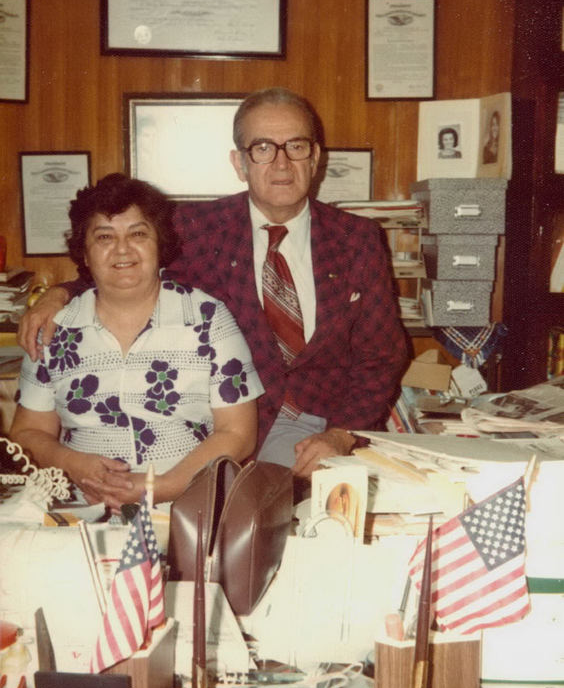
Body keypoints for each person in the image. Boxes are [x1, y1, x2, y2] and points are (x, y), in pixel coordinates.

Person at [18, 87, 408, 478]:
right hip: (226, 428)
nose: (282, 163)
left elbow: (382, 356)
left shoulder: (357, 239)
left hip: (323, 428)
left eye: (296, 146)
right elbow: (125, 267)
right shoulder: (197, 229)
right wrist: (57, 295)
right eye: (263, 148)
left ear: (317, 157)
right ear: (239, 163)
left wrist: (340, 435)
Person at [10, 174, 262, 510]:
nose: (122, 248)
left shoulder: (208, 318)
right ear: (84, 254)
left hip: (185, 510)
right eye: (104, 237)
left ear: (160, 246)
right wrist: (74, 464)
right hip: (80, 510)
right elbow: (27, 432)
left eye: (138, 234)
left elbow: (238, 433)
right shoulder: (55, 329)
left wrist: (159, 486)